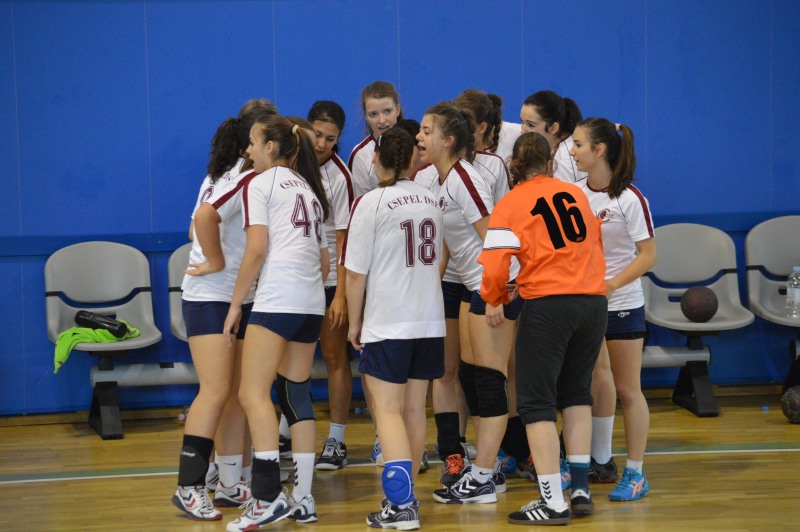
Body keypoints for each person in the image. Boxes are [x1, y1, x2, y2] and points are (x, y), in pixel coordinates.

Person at [478, 132, 607, 525]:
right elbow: (592, 245)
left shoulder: (510, 203)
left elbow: (495, 267)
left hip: (549, 306)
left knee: (536, 405)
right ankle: (580, 489)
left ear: (513, 165)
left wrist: (496, 297)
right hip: (593, 303)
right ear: (550, 162)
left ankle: (552, 502)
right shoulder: (575, 193)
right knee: (577, 394)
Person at [223, 115, 331, 531]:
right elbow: (324, 261)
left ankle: (266, 498)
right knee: (296, 396)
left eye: (252, 142)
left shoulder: (260, 183)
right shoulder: (308, 187)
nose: (248, 151)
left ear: (270, 146)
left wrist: (236, 305)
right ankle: (303, 498)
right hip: (311, 302)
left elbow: (256, 250)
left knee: (252, 393)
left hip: (279, 298)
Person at [171, 102, 277, 522]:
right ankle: (188, 486)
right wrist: (216, 261)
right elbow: (202, 220)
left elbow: (195, 226)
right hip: (210, 296)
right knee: (215, 390)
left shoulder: (220, 177)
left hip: (240, 296)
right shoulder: (243, 178)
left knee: (234, 392)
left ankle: (232, 482)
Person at [415, 102, 520, 504]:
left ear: (448, 140)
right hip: (473, 286)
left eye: (427, 131)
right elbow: (450, 246)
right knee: (472, 378)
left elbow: (497, 237)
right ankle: (484, 471)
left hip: (493, 287)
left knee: (490, 382)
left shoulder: (464, 178)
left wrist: (496, 293)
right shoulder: (441, 181)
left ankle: (485, 477)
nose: (419, 137)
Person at [343, 126, 445, 530]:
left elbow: (355, 274)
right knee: (414, 410)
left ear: (377, 159)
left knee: (386, 411)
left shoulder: (370, 202)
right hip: (430, 319)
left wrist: (354, 322)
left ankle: (401, 507)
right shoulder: (431, 198)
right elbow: (440, 257)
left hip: (389, 321)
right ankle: (407, 499)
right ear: (411, 160)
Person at [570, 118, 656, 501]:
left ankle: (636, 472)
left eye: (578, 144)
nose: (572, 151)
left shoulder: (630, 199)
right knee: (594, 380)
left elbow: (648, 256)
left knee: (628, 389)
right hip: (585, 306)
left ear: (599, 149)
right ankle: (598, 460)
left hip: (621, 305)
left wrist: (611, 285)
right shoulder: (573, 194)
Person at [303, 101, 356, 471]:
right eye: (318, 135)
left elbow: (344, 239)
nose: (322, 144)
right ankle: (288, 430)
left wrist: (340, 295)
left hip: (330, 282)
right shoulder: (291, 164)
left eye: (330, 139)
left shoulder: (340, 177)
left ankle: (336, 440)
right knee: (292, 360)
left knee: (335, 358)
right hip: (296, 279)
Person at [348, 81, 403, 197]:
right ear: (365, 116)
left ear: (397, 110)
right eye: (373, 114)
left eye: (387, 111)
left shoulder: (417, 145)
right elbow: (361, 203)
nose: (382, 120)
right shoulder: (361, 155)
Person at [519, 90, 586, 184]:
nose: (522, 130)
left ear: (553, 128)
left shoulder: (564, 159)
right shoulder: (563, 142)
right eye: (522, 122)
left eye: (530, 125)